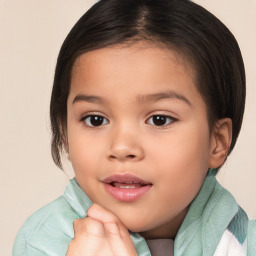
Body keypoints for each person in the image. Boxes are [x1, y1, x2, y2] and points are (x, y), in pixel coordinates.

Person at [12, 0, 256, 255]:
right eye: (95, 119)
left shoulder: (244, 244)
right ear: (65, 134)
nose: (122, 147)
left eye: (159, 119)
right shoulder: (41, 244)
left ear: (216, 141)